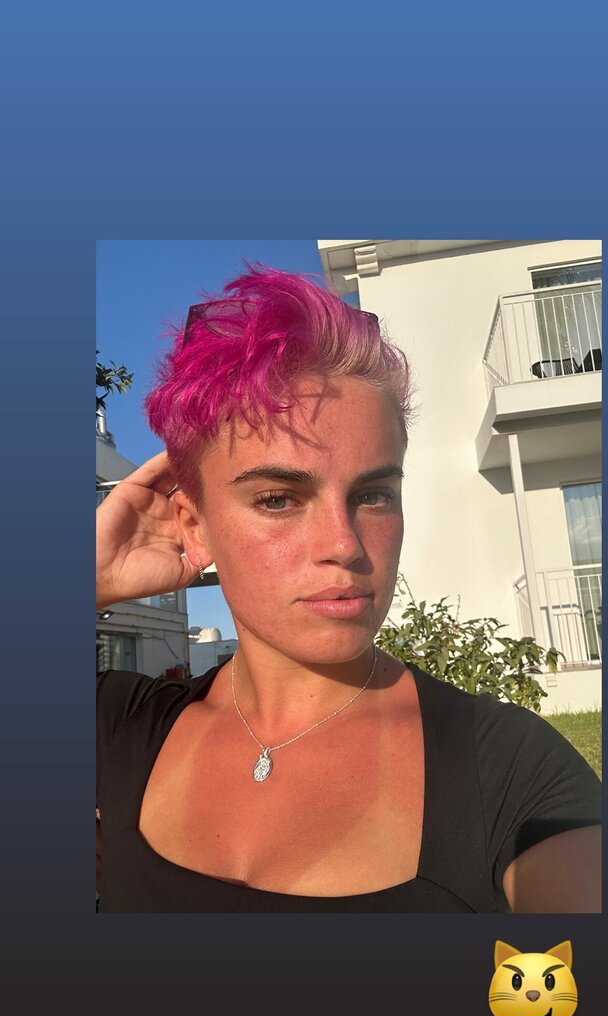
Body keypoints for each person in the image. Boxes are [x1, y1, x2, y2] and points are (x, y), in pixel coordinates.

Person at [96, 265, 601, 913]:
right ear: (194, 527)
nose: (345, 544)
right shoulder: (123, 724)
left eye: (373, 495)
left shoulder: (507, 769)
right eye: (278, 498)